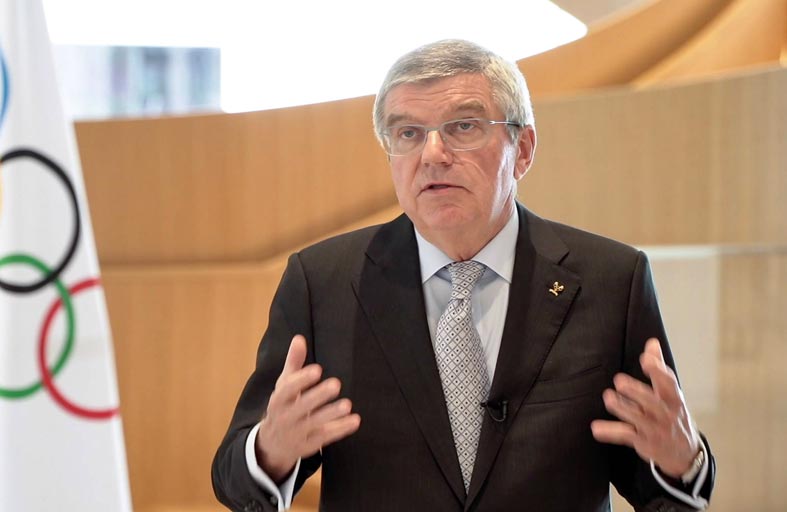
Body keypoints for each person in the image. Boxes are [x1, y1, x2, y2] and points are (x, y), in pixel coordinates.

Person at [212, 39, 715, 512]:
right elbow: (233, 478)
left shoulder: (612, 280)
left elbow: (665, 489)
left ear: (523, 150)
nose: (433, 154)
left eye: (463, 126)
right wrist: (271, 449)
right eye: (408, 133)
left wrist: (682, 460)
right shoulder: (323, 283)